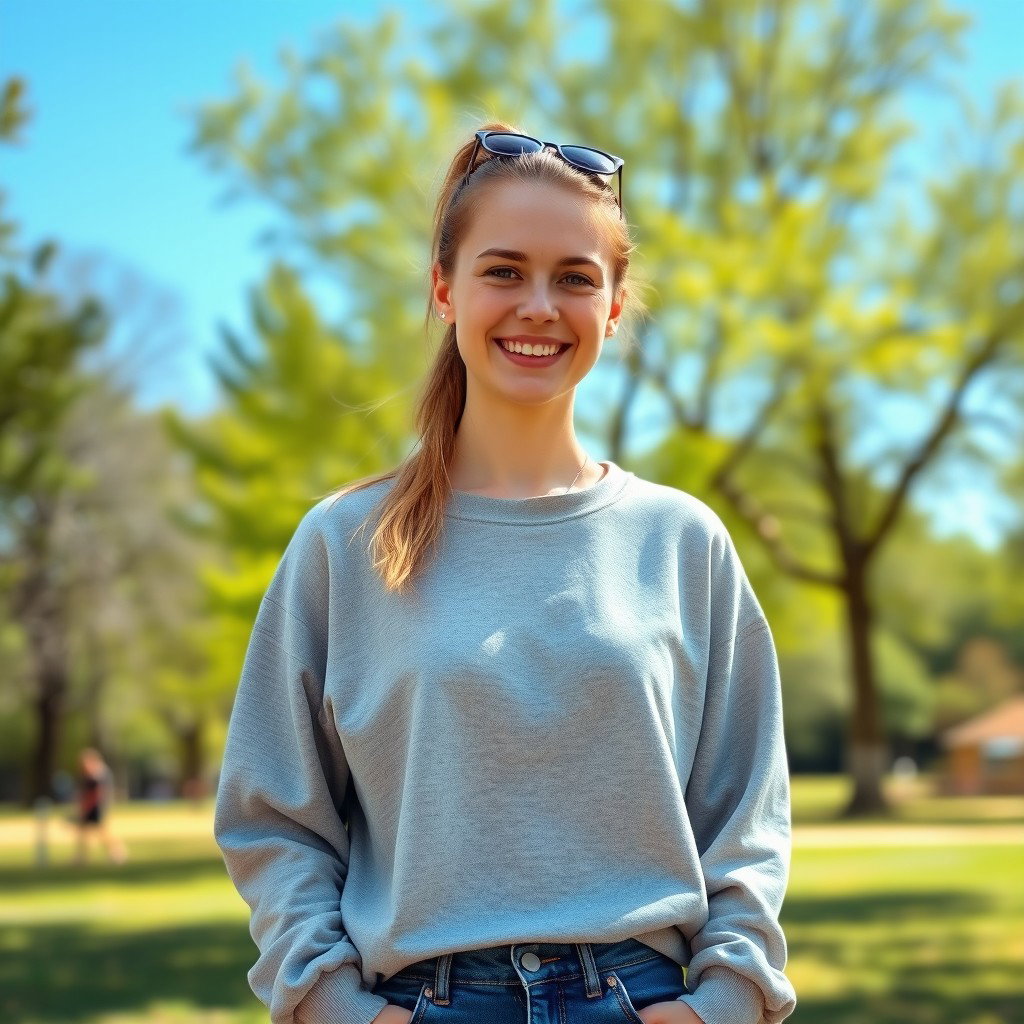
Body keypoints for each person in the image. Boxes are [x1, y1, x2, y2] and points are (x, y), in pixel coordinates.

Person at [214, 121, 798, 1024]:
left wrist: (723, 1002)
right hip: (418, 1001)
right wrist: (333, 1006)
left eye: (574, 277)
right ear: (445, 290)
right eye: (503, 270)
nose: (538, 305)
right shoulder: (344, 542)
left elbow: (746, 816)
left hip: (644, 997)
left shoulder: (682, 541)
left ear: (613, 305)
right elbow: (272, 817)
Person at [72, 747, 127, 866]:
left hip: (97, 806)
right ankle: (81, 857)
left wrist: (86, 807)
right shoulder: (93, 772)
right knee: (84, 832)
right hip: (93, 805)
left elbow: (96, 793)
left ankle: (117, 852)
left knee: (102, 831)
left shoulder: (98, 773)